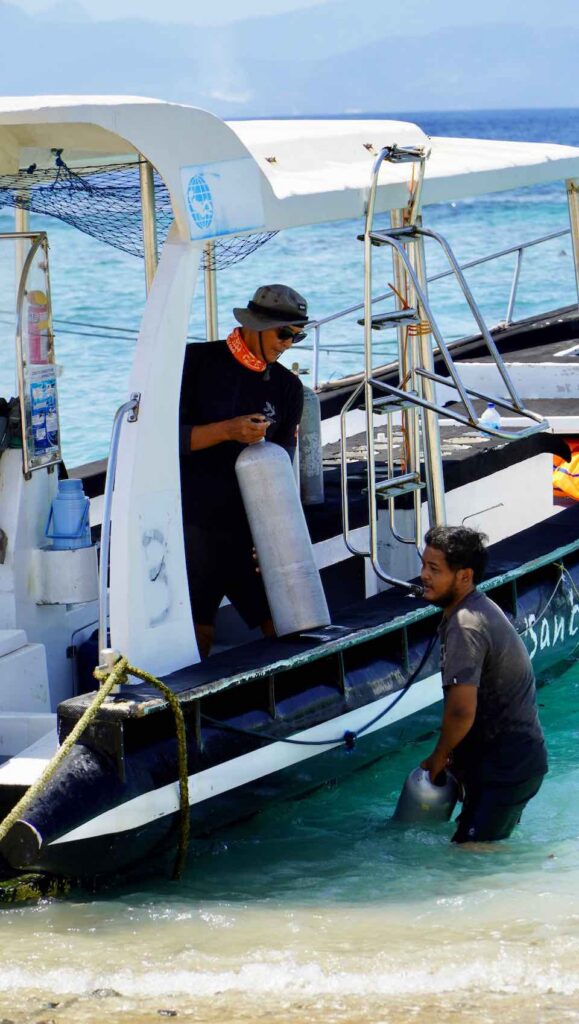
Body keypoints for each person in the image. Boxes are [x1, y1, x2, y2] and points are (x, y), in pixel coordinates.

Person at [180, 283, 308, 658]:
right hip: (195, 526)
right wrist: (228, 431)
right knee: (197, 632)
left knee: (285, 626)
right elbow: (163, 442)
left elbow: (283, 467)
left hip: (251, 530)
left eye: (296, 337)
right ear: (255, 324)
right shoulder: (196, 363)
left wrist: (276, 535)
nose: (287, 344)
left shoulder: (288, 388)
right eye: (283, 333)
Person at [419, 525, 548, 844]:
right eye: (423, 565)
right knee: (481, 851)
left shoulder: (466, 625)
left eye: (434, 569)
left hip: (506, 769)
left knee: (470, 865)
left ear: (464, 576)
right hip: (509, 764)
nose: (423, 575)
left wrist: (439, 756)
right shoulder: (474, 610)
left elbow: (462, 711)